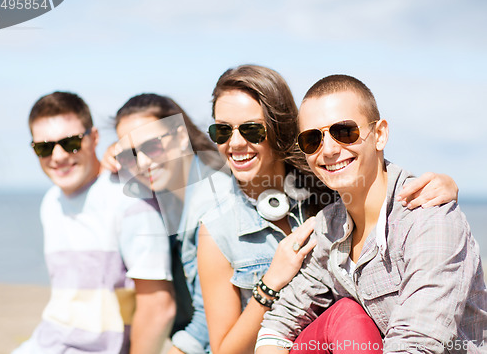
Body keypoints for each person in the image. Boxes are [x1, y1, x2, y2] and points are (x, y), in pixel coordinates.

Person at [197, 64, 460, 354]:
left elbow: (371, 169)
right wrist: (271, 282)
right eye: (222, 131)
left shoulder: (327, 186)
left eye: (252, 130)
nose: (235, 142)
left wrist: (444, 186)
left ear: (278, 129)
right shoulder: (219, 228)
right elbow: (229, 347)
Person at [256, 75, 487, 354]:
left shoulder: (429, 218)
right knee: (344, 313)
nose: (328, 149)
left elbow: (417, 343)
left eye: (344, 131)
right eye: (312, 139)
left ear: (379, 135)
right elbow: (281, 321)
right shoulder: (329, 226)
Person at [14, 91, 175, 354]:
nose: (57, 156)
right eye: (44, 147)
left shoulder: (130, 199)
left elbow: (159, 306)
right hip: (45, 343)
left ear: (95, 137)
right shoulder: (51, 202)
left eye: (71, 142)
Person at [103, 93, 233, 354]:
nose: (142, 163)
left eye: (152, 147)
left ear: (181, 136)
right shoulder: (172, 185)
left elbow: (211, 320)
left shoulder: (214, 200)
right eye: (130, 155)